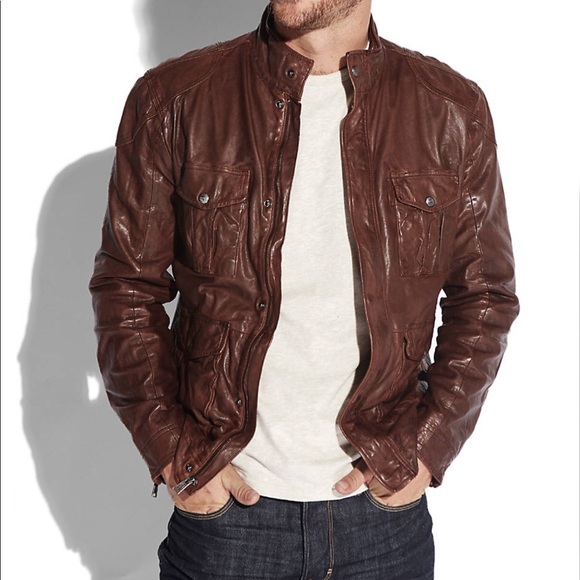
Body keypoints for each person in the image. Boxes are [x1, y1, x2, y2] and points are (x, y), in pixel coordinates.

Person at [90, 1, 519, 578]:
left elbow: (486, 296)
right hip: (226, 518)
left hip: (383, 521)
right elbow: (126, 288)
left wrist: (426, 447)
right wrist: (174, 452)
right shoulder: (174, 99)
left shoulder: (450, 109)